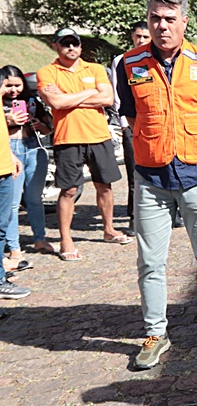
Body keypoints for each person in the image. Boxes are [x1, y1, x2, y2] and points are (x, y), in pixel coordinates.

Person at [116, 0, 197, 369]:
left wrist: (195, 145)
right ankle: (155, 333)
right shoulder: (129, 64)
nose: (161, 26)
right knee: (149, 261)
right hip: (151, 176)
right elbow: (131, 115)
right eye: (155, 18)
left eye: (169, 18)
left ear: (184, 21)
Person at [37, 28, 131, 262]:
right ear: (55, 46)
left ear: (80, 46)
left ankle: (109, 230)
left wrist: (69, 98)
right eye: (65, 43)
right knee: (69, 190)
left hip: (98, 136)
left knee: (105, 186)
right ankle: (66, 240)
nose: (71, 48)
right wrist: (89, 92)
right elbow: (56, 103)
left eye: (75, 43)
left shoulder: (96, 69)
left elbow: (107, 99)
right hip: (67, 138)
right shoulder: (47, 72)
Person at [2, 65, 53, 261]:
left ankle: (40, 239)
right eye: (9, 85)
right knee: (12, 203)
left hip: (34, 147)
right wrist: (8, 120)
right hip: (11, 149)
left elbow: (49, 128)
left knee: (34, 199)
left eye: (18, 85)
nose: (14, 90)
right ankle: (14, 247)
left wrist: (40, 125)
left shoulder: (31, 101)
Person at [110, 21, 152, 236]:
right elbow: (119, 95)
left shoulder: (152, 60)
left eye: (145, 37)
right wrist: (125, 124)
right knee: (135, 171)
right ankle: (134, 216)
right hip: (131, 125)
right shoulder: (124, 60)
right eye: (138, 36)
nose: (141, 40)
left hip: (154, 125)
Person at [0, 68, 28, 299]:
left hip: (5, 165)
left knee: (2, 225)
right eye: (6, 85)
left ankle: (0, 278)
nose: (10, 90)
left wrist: (10, 155)